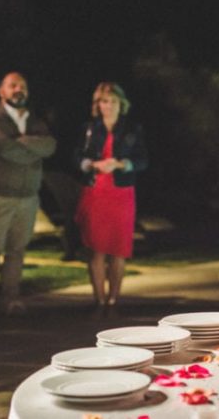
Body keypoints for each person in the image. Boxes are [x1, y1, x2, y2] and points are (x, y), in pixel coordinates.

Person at [0, 72, 56, 322]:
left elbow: (50, 146)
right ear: (2, 91)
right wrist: (31, 148)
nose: (19, 89)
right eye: (13, 85)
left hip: (28, 196)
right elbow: (4, 149)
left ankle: (10, 300)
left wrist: (21, 143)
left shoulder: (34, 119)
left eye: (23, 85)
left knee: (17, 251)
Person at [74, 82, 147, 307]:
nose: (109, 105)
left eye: (113, 101)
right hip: (96, 192)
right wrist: (92, 164)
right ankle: (99, 300)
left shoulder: (132, 128)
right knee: (96, 249)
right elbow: (76, 156)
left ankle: (114, 300)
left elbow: (143, 160)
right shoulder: (89, 128)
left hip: (122, 194)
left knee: (118, 249)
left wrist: (122, 163)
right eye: (104, 101)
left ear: (121, 104)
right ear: (98, 104)